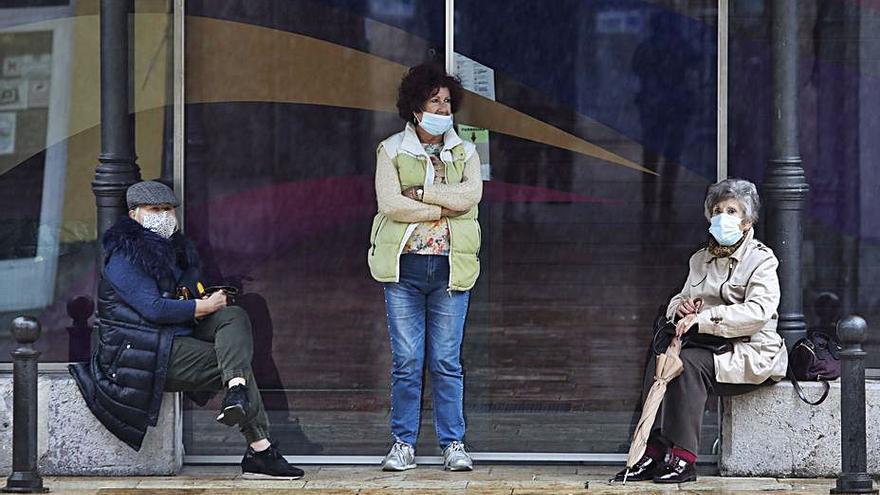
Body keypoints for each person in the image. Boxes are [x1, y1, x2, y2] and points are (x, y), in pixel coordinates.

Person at [69, 180, 303, 480]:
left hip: (170, 339)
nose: (164, 216)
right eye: (155, 209)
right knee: (234, 365)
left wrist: (203, 297)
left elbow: (181, 294)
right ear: (133, 215)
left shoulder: (173, 251)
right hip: (139, 356)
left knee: (233, 315)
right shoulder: (125, 256)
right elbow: (153, 307)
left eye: (169, 209)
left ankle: (236, 392)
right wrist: (202, 308)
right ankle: (259, 450)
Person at [613, 178, 788, 483]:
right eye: (718, 210)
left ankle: (683, 458)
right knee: (661, 356)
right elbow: (680, 298)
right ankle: (653, 450)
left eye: (732, 211)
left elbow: (758, 313)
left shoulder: (762, 259)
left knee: (687, 365)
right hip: (708, 343)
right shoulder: (700, 259)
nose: (723, 217)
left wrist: (705, 319)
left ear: (747, 221)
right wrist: (678, 309)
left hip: (749, 350)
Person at [368, 63, 482, 471]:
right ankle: (403, 444)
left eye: (447, 101)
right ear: (416, 108)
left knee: (447, 362)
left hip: (452, 269)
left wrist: (422, 193)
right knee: (406, 361)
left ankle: (454, 444)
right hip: (404, 270)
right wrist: (440, 207)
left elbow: (470, 195)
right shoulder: (391, 150)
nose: (442, 107)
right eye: (434, 100)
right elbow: (391, 204)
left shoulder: (465, 150)